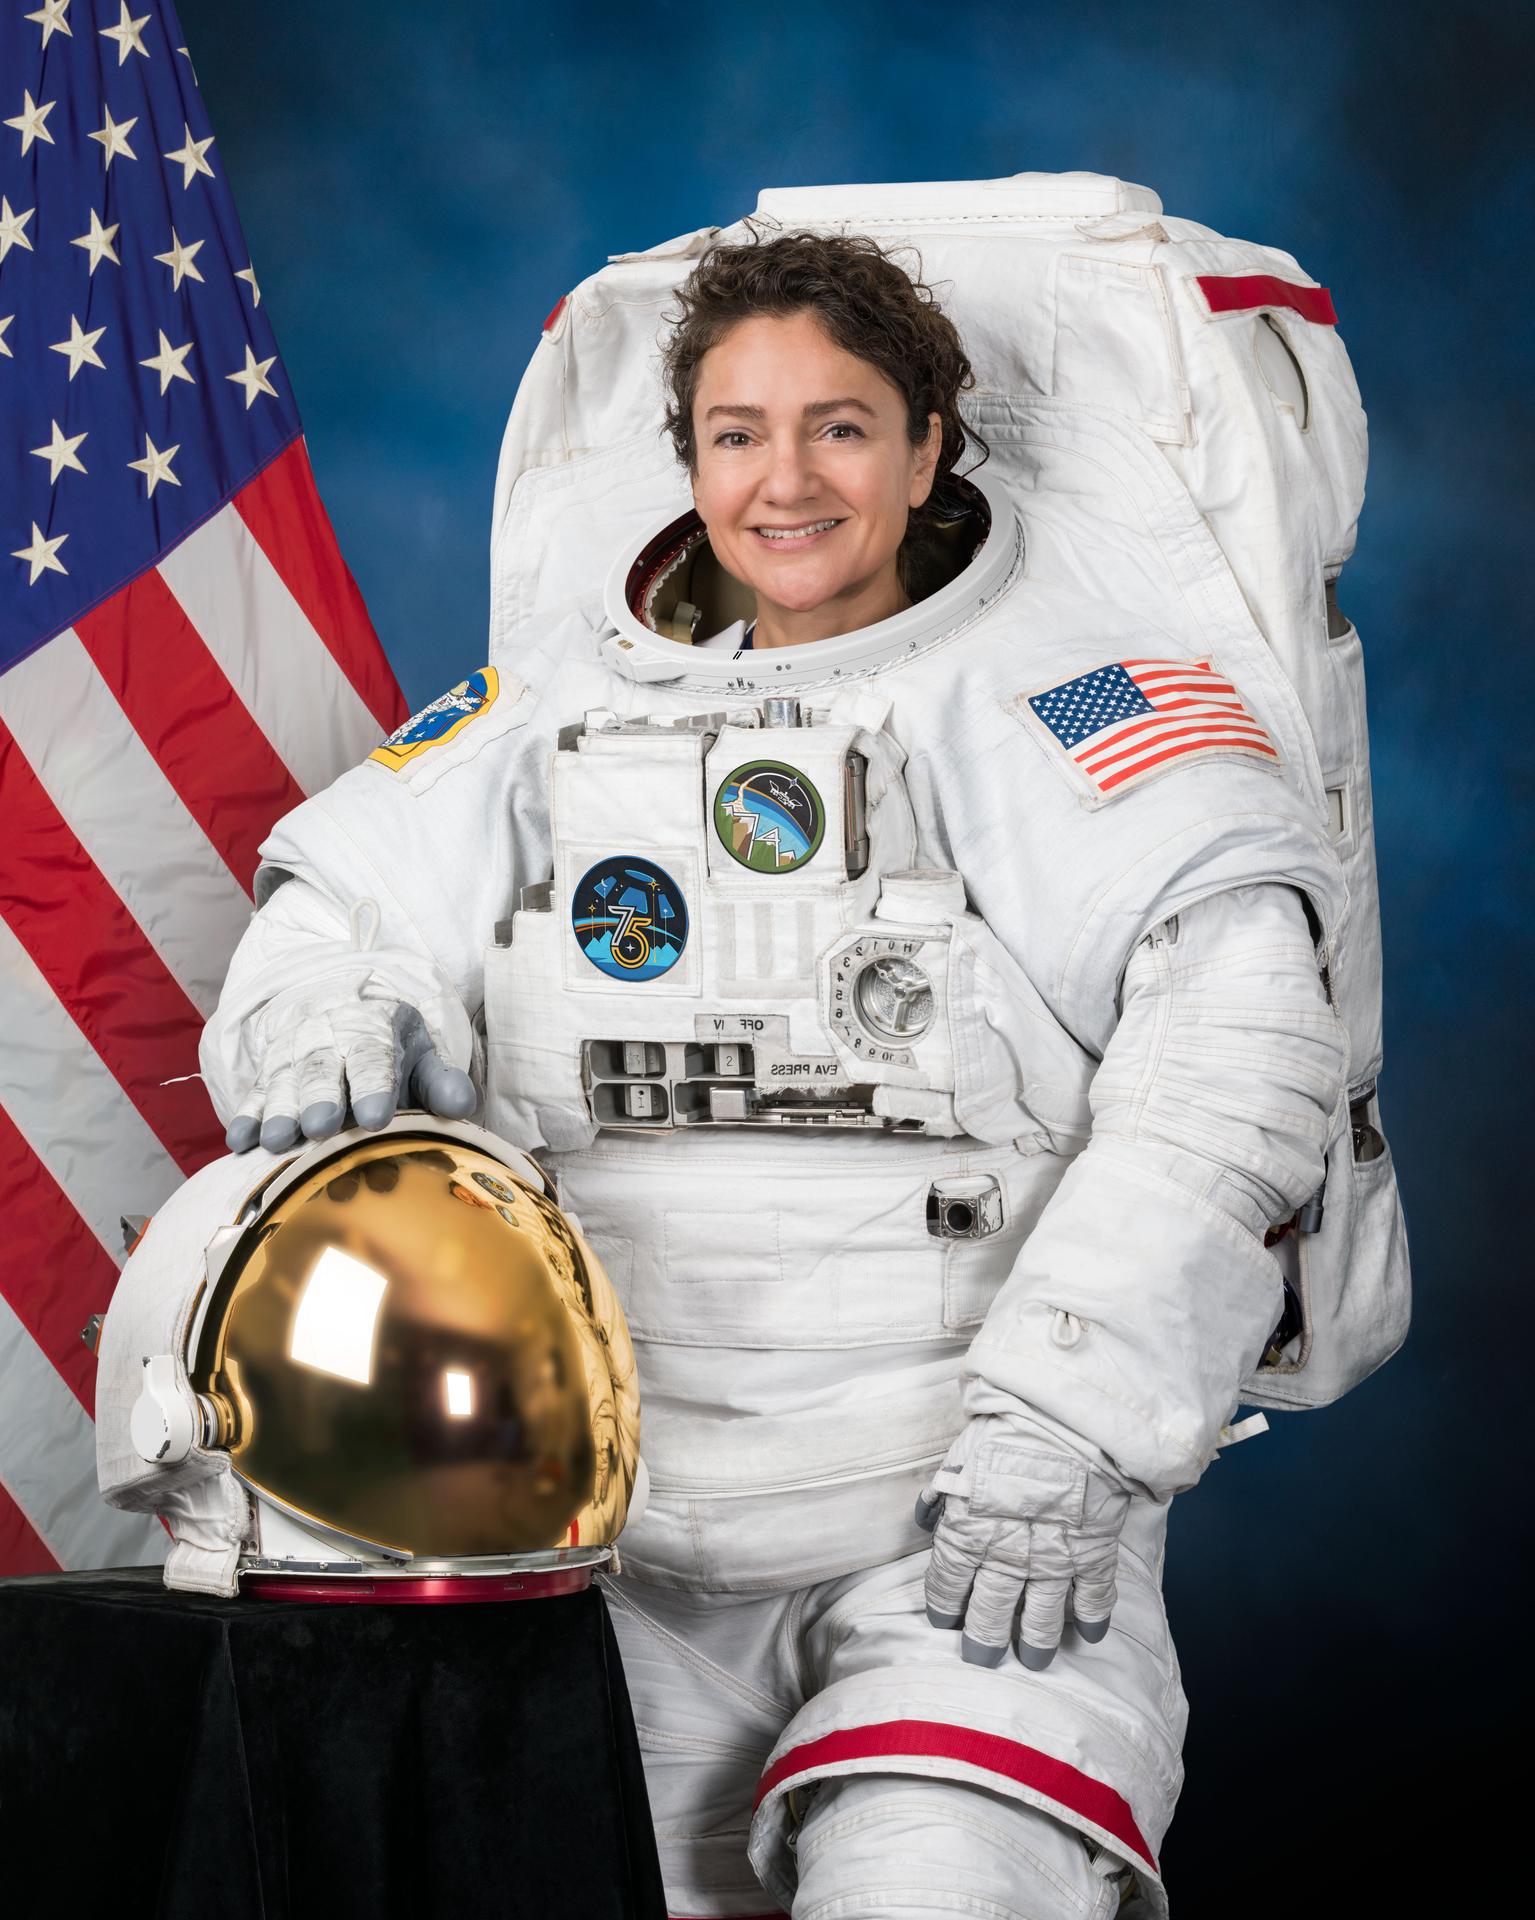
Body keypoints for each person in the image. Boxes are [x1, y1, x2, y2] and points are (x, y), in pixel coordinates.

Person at [202, 232, 1353, 1919]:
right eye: (738, 432)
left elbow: (1235, 1074)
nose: (785, 478)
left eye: (841, 426)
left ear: (928, 444)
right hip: (601, 1538)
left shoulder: (1081, 699)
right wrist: (329, 1010)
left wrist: (1071, 1422)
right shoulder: (550, 703)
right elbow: (334, 908)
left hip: (966, 1535)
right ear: (688, 459)